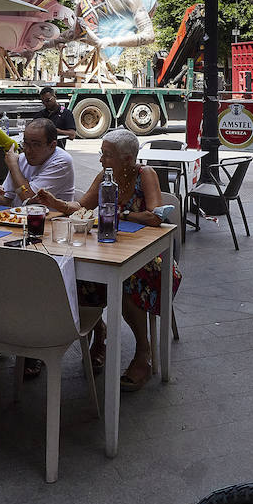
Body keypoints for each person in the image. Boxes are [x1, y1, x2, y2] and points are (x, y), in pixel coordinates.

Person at [37, 128, 179, 391]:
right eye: (102, 154)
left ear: (127, 159)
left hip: (151, 259)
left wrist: (119, 215)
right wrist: (55, 202)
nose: (102, 160)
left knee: (127, 284)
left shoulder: (145, 174)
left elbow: (156, 216)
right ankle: (98, 334)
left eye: (107, 155)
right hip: (109, 251)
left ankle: (143, 354)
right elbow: (83, 207)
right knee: (75, 277)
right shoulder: (106, 177)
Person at [0, 118, 75, 207]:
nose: (28, 150)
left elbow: (28, 198)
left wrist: (13, 166)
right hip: (20, 218)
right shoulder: (21, 159)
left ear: (52, 146)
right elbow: (9, 199)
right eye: (26, 143)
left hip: (51, 219)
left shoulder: (61, 161)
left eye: (36, 145)